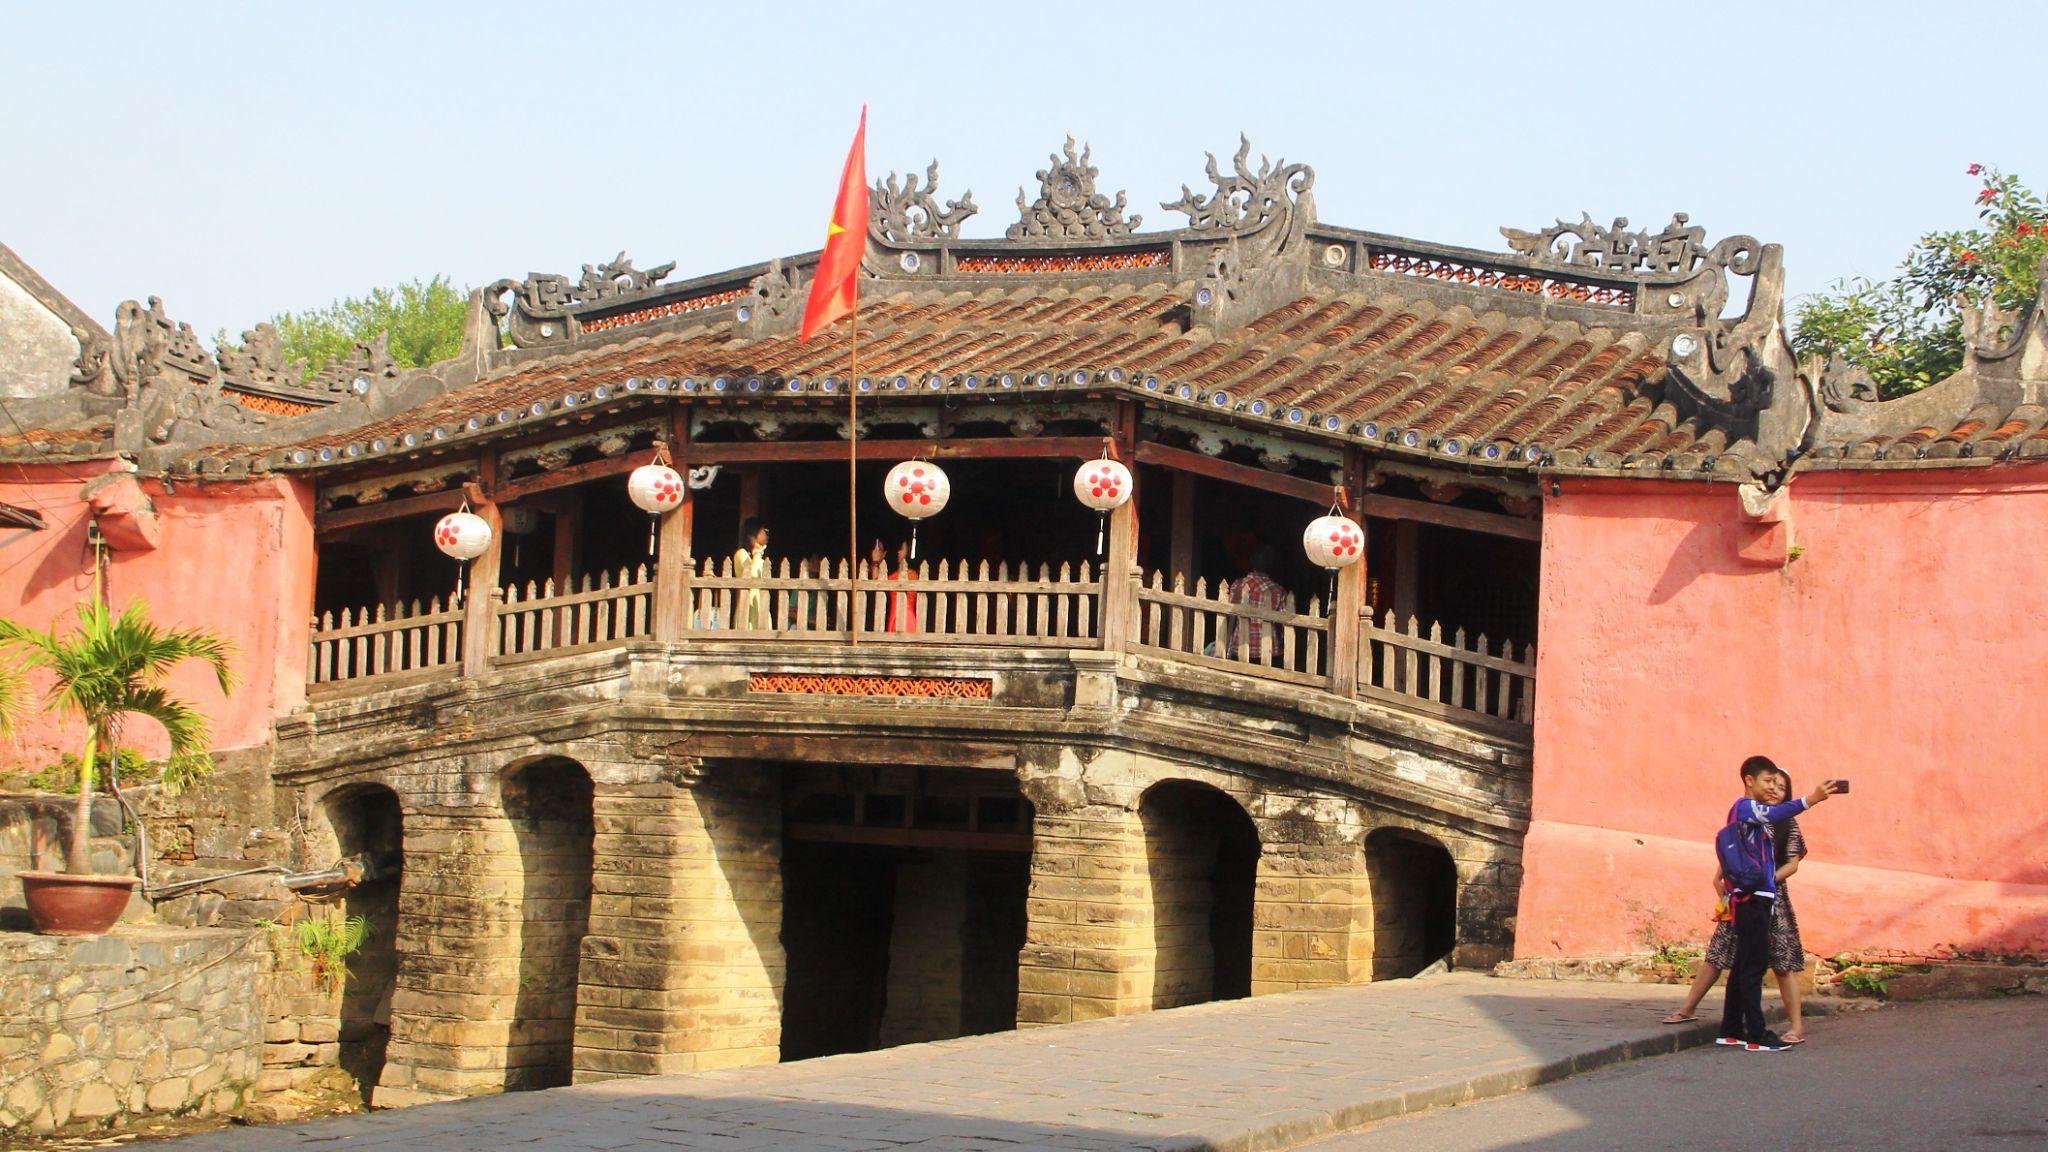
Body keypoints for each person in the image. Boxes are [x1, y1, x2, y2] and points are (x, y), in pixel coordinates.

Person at [1662, 767, 1811, 1041]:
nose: (1775, 790)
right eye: (1771, 783)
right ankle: (1689, 1009)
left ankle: (1795, 1026)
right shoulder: (1749, 814)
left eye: (1781, 786)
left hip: (1771, 896)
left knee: (1780, 963)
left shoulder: (1787, 822)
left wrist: (1766, 880)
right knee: (1719, 955)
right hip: (1743, 894)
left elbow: (1792, 864)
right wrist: (1724, 879)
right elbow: (1734, 852)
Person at [1715, 755, 1839, 1052]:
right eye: (1768, 781)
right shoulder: (1746, 807)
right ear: (1749, 781)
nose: (1772, 787)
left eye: (1776, 783)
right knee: (1754, 967)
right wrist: (1811, 800)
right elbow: (1773, 816)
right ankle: (1757, 1035)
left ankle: (1731, 1030)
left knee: (1743, 964)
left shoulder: (1743, 812)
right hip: (1754, 897)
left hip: (1749, 895)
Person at [1227, 543, 1288, 664]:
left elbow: (1229, 614)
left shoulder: (1238, 586)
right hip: (1269, 651)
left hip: (1239, 647)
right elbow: (1284, 622)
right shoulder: (1278, 591)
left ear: (1252, 563)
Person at [730, 518, 770, 629]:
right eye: (763, 530)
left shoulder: (761, 560)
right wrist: (757, 554)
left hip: (760, 605)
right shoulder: (741, 554)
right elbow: (751, 576)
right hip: (747, 608)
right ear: (754, 532)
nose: (766, 533)